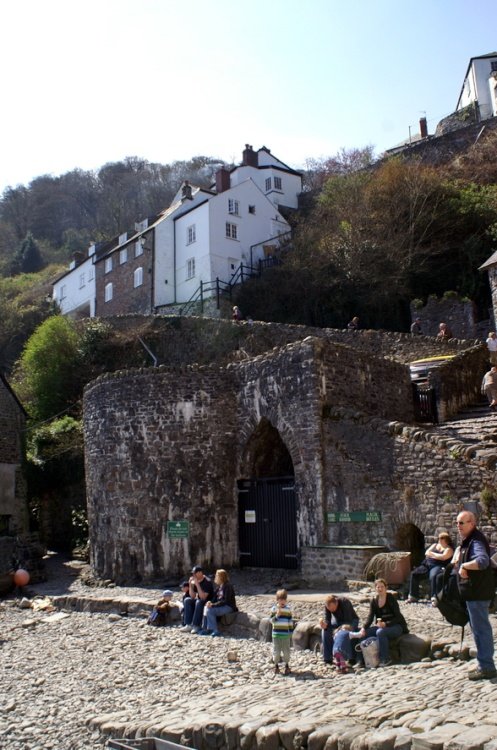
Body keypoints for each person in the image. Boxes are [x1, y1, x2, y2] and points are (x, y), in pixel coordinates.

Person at [454, 510, 496, 681]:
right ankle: (484, 664)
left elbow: (482, 561)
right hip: (474, 594)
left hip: (478, 594)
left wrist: (464, 566)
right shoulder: (469, 540)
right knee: (479, 629)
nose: (458, 526)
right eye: (457, 523)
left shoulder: (476, 540)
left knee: (481, 630)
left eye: (462, 522)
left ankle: (486, 667)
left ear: (472, 523)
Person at [358, 578, 409, 667]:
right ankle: (361, 660)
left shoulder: (391, 598)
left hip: (396, 626)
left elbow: (398, 617)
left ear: (386, 588)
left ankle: (385, 658)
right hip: (381, 626)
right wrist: (363, 628)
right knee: (364, 633)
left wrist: (386, 624)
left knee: (380, 632)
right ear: (375, 589)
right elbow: (370, 617)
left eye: (382, 587)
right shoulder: (374, 601)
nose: (380, 589)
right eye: (378, 587)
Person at [407, 532, 454, 605]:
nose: (439, 540)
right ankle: (413, 596)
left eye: (442, 538)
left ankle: (434, 598)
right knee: (414, 573)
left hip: (437, 565)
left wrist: (432, 555)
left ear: (446, 539)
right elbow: (426, 553)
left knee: (433, 576)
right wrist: (436, 555)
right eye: (439, 538)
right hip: (427, 564)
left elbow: (443, 557)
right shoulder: (435, 545)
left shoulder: (449, 549)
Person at [319, 594, 359, 667]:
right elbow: (327, 619)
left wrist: (338, 630)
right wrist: (325, 624)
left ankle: (350, 658)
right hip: (338, 622)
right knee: (325, 631)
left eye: (333, 609)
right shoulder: (327, 606)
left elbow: (348, 622)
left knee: (344, 632)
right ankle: (327, 658)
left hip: (351, 621)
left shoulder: (345, 602)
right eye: (330, 610)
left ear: (336, 602)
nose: (332, 611)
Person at [198, 569, 238, 637]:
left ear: (221, 577)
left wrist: (213, 605)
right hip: (222, 605)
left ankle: (214, 630)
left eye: (217, 576)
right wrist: (209, 602)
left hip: (228, 606)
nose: (215, 577)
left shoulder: (228, 586)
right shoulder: (219, 587)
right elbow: (214, 598)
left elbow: (225, 601)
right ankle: (205, 628)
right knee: (206, 607)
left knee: (210, 610)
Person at [180, 565, 215, 633]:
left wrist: (197, 584)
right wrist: (190, 585)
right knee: (187, 600)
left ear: (200, 573)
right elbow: (192, 596)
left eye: (194, 573)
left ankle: (196, 625)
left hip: (208, 601)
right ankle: (188, 624)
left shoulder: (207, 582)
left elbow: (203, 597)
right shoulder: (195, 581)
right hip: (200, 600)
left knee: (198, 602)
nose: (193, 575)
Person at [270, 589, 294, 675]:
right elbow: (271, 621)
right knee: (276, 651)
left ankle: (287, 665)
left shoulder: (288, 610)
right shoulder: (274, 609)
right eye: (280, 599)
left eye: (284, 599)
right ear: (277, 600)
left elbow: (290, 621)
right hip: (276, 635)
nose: (282, 601)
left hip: (285, 635)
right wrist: (277, 616)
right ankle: (276, 666)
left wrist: (291, 632)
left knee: (286, 651)